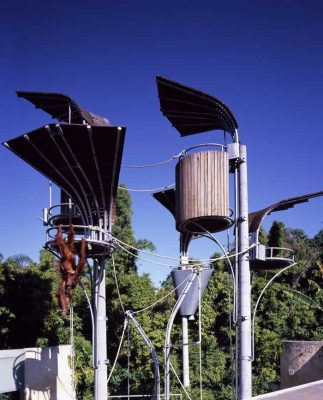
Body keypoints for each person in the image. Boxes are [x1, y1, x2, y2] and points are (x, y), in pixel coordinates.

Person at [56, 224, 87, 315]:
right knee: (80, 257)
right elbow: (82, 259)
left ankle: (62, 230)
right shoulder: (73, 280)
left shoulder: (66, 282)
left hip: (66, 260)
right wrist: (83, 244)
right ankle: (70, 229)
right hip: (70, 262)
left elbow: (61, 294)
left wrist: (64, 309)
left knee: (62, 244)